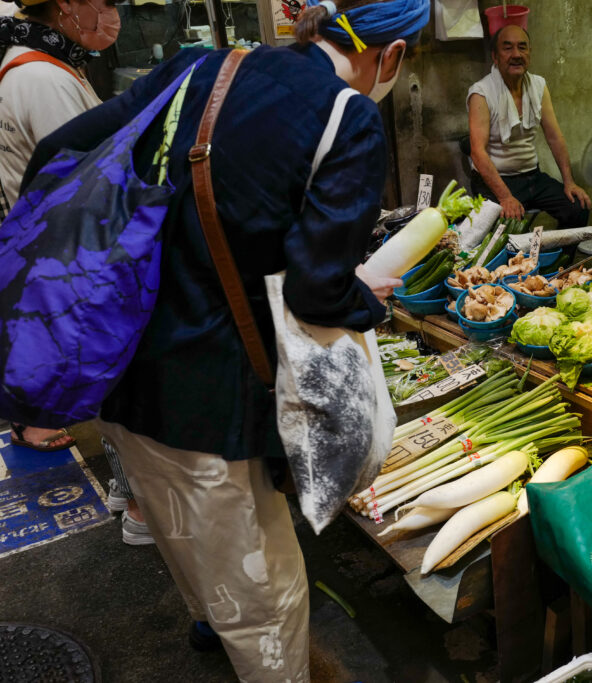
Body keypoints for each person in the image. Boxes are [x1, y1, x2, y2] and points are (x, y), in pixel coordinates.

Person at [21, 0, 422, 677]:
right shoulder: (345, 116)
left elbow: (57, 153)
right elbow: (315, 289)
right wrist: (363, 298)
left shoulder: (198, 65)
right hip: (208, 397)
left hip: (117, 368)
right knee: (266, 596)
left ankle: (209, 624)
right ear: (394, 55)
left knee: (181, 535)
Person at [0, 0, 117, 453]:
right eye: (105, 3)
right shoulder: (43, 77)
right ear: (69, 6)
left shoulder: (33, 60)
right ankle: (37, 422)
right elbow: (88, 176)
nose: (112, 14)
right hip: (60, 236)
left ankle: (33, 419)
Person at [467, 24, 591, 225]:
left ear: (530, 53)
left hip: (532, 177)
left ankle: (562, 257)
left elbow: (554, 137)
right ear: (495, 57)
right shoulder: (481, 93)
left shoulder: (538, 86)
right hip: (494, 181)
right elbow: (477, 152)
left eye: (522, 47)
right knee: (503, 227)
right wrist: (505, 197)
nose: (516, 54)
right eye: (507, 48)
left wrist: (570, 182)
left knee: (577, 207)